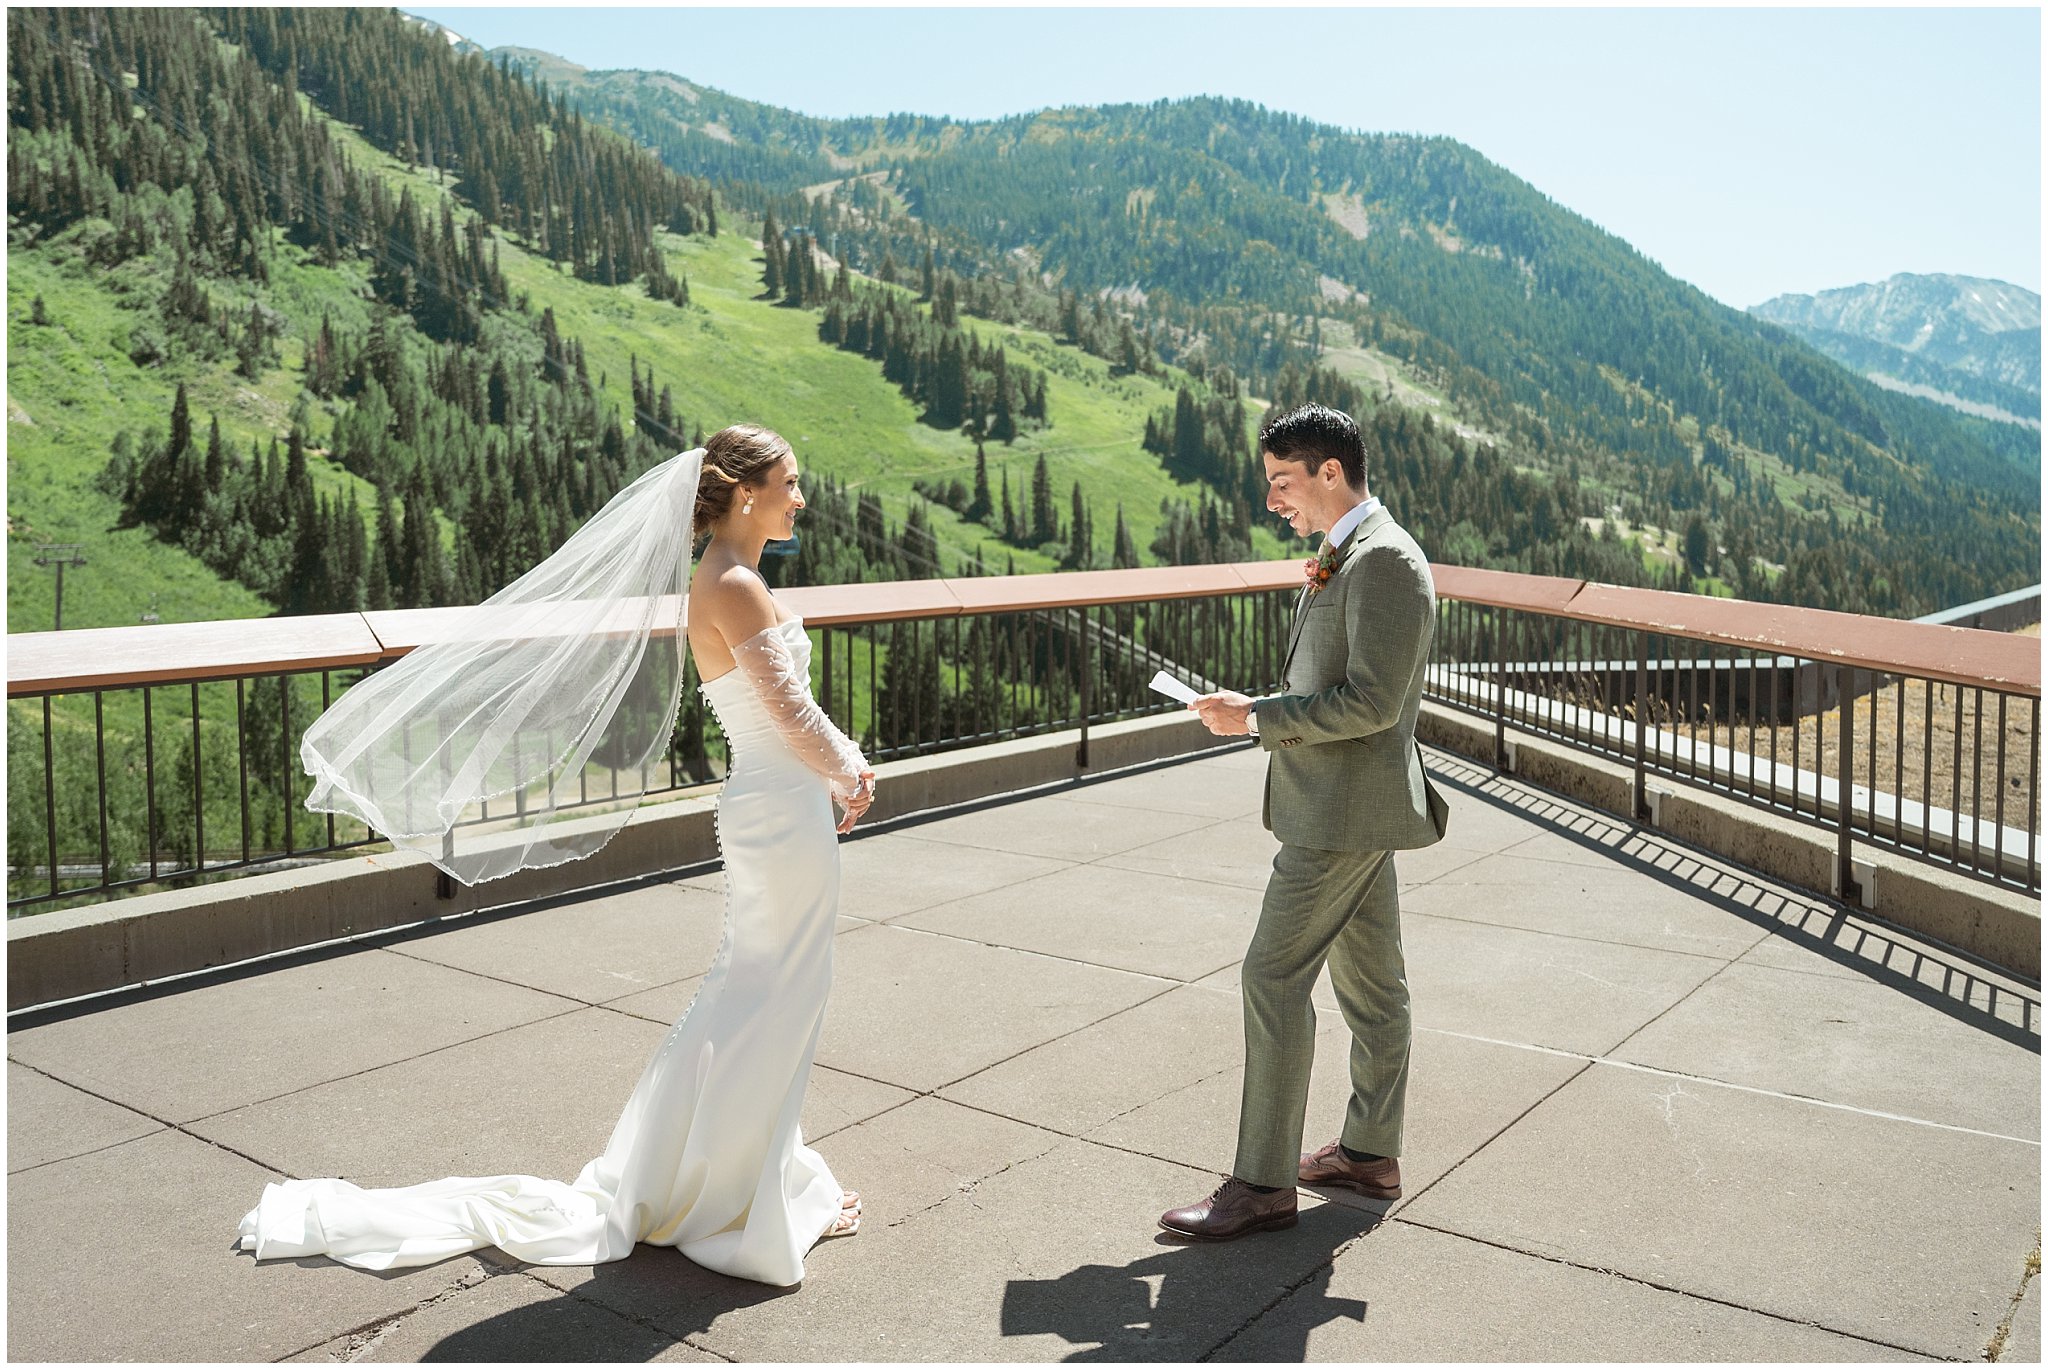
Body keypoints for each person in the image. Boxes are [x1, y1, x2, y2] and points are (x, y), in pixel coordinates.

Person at [237, 424, 877, 1286]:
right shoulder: (736, 585)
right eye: (791, 481)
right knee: (772, 996)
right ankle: (736, 1202)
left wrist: (830, 775)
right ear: (745, 493)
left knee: (760, 994)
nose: (802, 497)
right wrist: (854, 772)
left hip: (774, 805)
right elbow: (790, 712)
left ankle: (743, 1182)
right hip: (781, 809)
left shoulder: (723, 580)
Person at [1165, 402, 1448, 1241]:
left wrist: (1255, 716)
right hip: (1350, 807)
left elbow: (1372, 701)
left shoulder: (1386, 560)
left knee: (1271, 978)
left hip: (1340, 814)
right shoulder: (1348, 552)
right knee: (1372, 986)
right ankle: (1367, 1153)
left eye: (1283, 482)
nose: (1273, 500)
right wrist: (1255, 710)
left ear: (1333, 471)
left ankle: (1260, 1185)